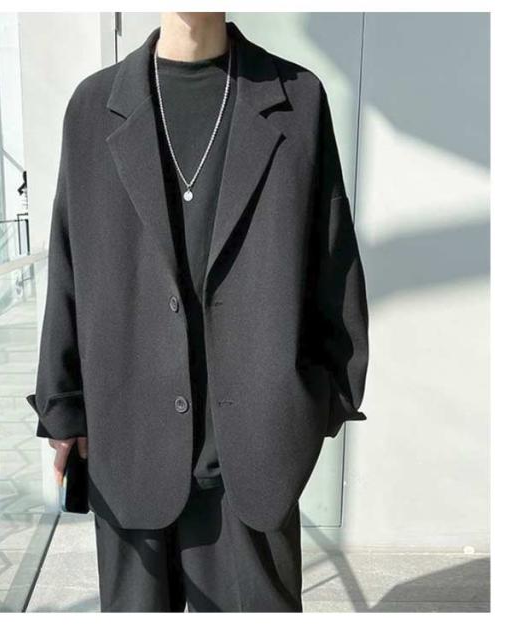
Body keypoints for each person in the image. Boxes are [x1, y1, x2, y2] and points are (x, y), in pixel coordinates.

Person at [27, 12, 369, 612]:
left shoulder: (297, 99)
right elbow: (69, 264)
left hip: (255, 457)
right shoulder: (92, 108)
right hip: (129, 446)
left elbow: (332, 261)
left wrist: (313, 405)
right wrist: (64, 408)